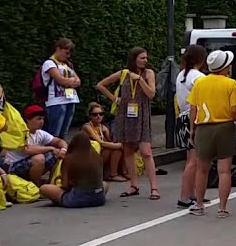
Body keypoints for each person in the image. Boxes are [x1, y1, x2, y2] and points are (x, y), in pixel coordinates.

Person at [96, 47, 159, 200]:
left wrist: (140, 80)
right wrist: (114, 99)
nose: (145, 60)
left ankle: (154, 188)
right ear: (134, 59)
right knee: (128, 150)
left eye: (146, 58)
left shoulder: (148, 73)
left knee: (146, 152)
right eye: (142, 58)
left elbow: (151, 94)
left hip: (141, 115)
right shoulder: (123, 73)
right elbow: (100, 85)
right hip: (125, 114)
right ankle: (134, 185)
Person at [187, 50, 236, 217]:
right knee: (224, 170)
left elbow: (193, 108)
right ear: (224, 66)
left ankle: (199, 205)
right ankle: (222, 208)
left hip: (203, 128)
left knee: (202, 169)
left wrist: (192, 129)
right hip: (225, 127)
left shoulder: (200, 83)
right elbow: (235, 110)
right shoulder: (231, 84)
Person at [0, 104, 66, 184]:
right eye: (38, 119)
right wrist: (51, 148)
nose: (41, 122)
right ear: (28, 120)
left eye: (43, 119)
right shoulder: (19, 132)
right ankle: (36, 184)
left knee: (58, 154)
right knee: (39, 158)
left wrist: (63, 150)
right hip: (11, 166)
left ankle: (52, 182)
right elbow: (26, 149)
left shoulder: (40, 133)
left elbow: (59, 141)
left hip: (27, 164)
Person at [175, 44, 207, 208]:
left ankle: (192, 193)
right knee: (194, 161)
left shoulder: (181, 74)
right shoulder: (199, 77)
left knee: (191, 158)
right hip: (193, 118)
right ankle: (185, 196)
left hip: (182, 117)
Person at [40, 134, 107, 208]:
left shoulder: (69, 159)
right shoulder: (97, 158)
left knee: (44, 188)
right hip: (99, 198)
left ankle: (61, 200)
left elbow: (65, 185)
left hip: (76, 199)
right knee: (105, 184)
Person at [40, 38, 82, 138]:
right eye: (66, 53)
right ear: (58, 49)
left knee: (64, 133)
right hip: (56, 101)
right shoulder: (49, 63)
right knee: (54, 133)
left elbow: (78, 81)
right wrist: (71, 80)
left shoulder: (67, 64)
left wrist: (69, 81)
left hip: (70, 99)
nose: (68, 56)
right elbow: (61, 80)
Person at [81, 102, 125, 182]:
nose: (98, 116)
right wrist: (121, 146)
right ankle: (113, 174)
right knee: (117, 148)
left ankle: (121, 172)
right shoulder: (87, 127)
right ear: (90, 116)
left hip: (99, 154)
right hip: (87, 156)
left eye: (101, 114)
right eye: (95, 114)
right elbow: (101, 143)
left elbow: (110, 142)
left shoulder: (103, 128)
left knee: (117, 149)